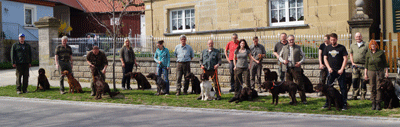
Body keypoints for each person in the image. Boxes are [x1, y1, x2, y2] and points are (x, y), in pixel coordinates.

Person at [323, 33, 348, 110]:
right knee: (328, 88)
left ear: (336, 39)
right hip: (331, 71)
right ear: (329, 40)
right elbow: (325, 58)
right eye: (331, 40)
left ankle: (344, 103)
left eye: (334, 40)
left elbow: (345, 59)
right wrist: (329, 68)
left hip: (340, 71)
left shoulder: (342, 47)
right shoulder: (327, 48)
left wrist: (342, 69)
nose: (332, 41)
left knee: (343, 87)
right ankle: (327, 102)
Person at [279, 35, 307, 104]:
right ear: (287, 40)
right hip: (287, 68)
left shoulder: (298, 47)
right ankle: (292, 99)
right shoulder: (284, 47)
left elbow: (304, 56)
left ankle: (303, 100)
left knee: (299, 84)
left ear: (294, 40)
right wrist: (283, 61)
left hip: (296, 68)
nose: (291, 41)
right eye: (289, 40)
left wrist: (300, 63)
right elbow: (279, 57)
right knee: (289, 85)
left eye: (292, 40)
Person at [364, 40, 389, 110]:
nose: (373, 46)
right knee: (372, 87)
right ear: (370, 46)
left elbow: (385, 63)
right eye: (371, 45)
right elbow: (366, 65)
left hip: (379, 72)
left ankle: (378, 103)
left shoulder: (380, 53)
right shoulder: (368, 54)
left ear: (376, 45)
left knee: (379, 87)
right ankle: (373, 102)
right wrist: (365, 74)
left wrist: (386, 72)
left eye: (374, 45)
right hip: (371, 72)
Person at [349, 32, 369, 100]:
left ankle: (363, 95)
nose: (358, 37)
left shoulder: (366, 45)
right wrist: (352, 63)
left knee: (363, 81)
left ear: (361, 37)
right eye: (357, 36)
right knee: (355, 80)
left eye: (359, 36)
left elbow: (368, 55)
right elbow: (351, 54)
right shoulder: (352, 45)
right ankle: (354, 94)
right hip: (355, 66)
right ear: (355, 37)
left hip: (363, 66)